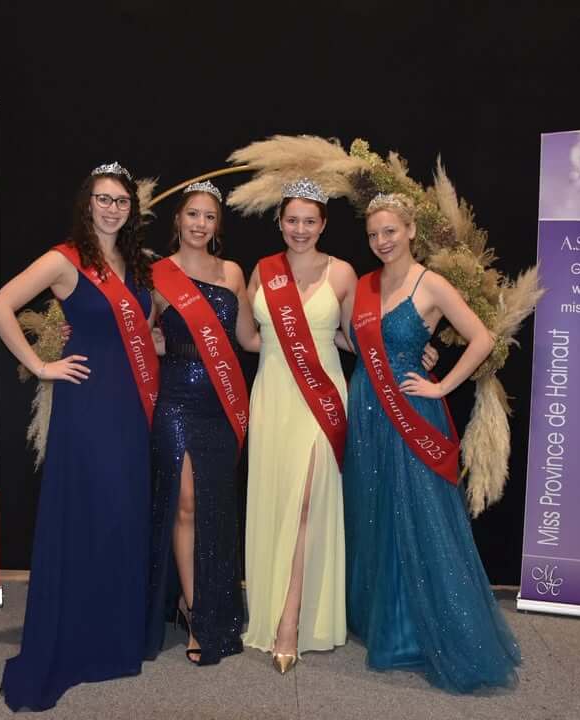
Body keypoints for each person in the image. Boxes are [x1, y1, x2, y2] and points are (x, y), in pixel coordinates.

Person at [0, 162, 159, 711]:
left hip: (130, 405)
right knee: (85, 512)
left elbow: (144, 328)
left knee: (122, 512)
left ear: (131, 209)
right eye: (103, 199)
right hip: (86, 407)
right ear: (88, 203)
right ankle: (77, 637)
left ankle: (115, 638)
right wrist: (41, 365)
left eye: (121, 201)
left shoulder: (135, 263)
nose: (112, 208)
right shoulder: (64, 259)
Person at [343, 192, 521, 692]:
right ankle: (387, 622)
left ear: (411, 231)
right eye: (374, 234)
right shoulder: (365, 285)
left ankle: (421, 631)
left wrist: (442, 384)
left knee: (417, 516)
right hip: (367, 409)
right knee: (375, 513)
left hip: (410, 411)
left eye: (390, 231)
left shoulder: (432, 283)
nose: (382, 241)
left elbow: (483, 338)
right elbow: (348, 340)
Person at [241, 178, 357, 673]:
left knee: (309, 501)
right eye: (292, 220)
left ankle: (289, 621)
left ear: (324, 224)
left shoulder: (344, 273)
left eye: (311, 221)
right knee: (277, 500)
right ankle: (274, 608)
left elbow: (355, 339)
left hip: (321, 396)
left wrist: (411, 352)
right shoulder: (263, 271)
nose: (301, 229)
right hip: (272, 394)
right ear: (280, 222)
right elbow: (248, 337)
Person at [145, 181, 254, 665]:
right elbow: (139, 333)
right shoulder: (156, 274)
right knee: (185, 503)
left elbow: (250, 337)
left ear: (217, 225)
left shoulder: (232, 272)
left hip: (222, 403)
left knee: (216, 508)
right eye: (192, 214)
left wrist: (328, 337)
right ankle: (194, 607)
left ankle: (215, 599)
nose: (199, 224)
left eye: (209, 217)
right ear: (179, 220)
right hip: (176, 401)